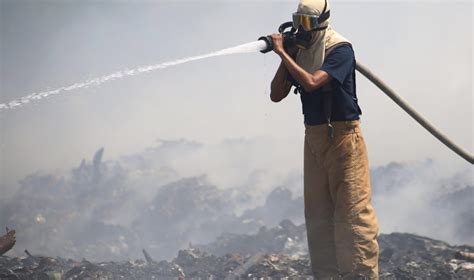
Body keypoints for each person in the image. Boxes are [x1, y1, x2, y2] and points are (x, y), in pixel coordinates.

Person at [269, 0, 379, 279]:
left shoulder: (339, 49)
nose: (300, 28)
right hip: (315, 138)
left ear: (322, 21)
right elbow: (276, 93)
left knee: (352, 216)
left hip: (343, 137)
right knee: (317, 215)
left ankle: (360, 275)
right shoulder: (302, 52)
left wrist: (283, 52)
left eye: (306, 23)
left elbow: (312, 82)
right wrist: (290, 52)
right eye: (297, 21)